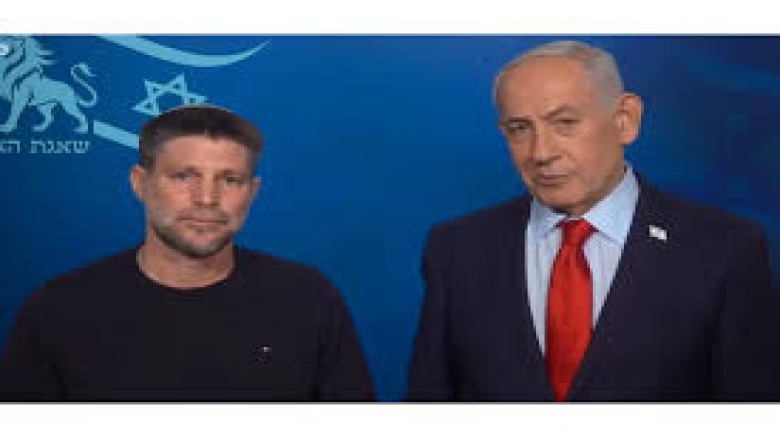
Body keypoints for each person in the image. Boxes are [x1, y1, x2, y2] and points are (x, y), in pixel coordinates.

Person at [406, 40, 780, 401]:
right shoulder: (457, 250)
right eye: (520, 128)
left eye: (565, 123)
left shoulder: (725, 250)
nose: (541, 152)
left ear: (625, 120)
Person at [0, 104, 374, 401]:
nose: (207, 198)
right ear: (140, 183)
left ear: (252, 192)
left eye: (230, 180)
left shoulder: (308, 298)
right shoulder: (57, 309)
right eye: (184, 177)